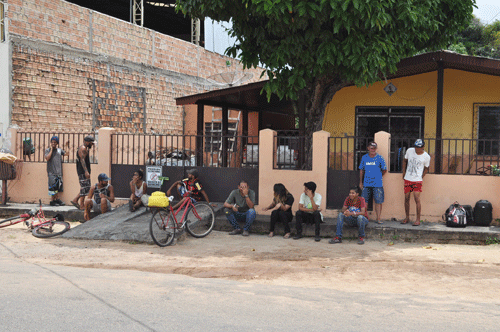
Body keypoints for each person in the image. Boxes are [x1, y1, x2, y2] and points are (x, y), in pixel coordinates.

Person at [401, 139, 431, 226]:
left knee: (416, 198)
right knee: (406, 197)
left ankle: (418, 219)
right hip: (408, 178)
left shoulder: (426, 156)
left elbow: (426, 168)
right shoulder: (409, 151)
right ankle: (407, 217)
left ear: (423, 147)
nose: (416, 149)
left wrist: (421, 177)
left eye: (418, 147)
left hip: (417, 180)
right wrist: (404, 172)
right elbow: (404, 160)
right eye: (415, 147)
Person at [359, 141, 387, 224]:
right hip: (366, 183)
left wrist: (378, 176)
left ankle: (378, 218)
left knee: (378, 201)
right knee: (364, 201)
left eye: (374, 148)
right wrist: (361, 182)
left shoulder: (380, 158)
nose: (373, 150)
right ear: (368, 148)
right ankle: (365, 217)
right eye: (371, 148)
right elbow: (361, 170)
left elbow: (384, 170)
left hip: (377, 183)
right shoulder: (364, 158)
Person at [71, 136, 95, 209]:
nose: (92, 145)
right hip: (82, 171)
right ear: (87, 142)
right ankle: (81, 205)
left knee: (86, 187)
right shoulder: (83, 149)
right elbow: (82, 160)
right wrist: (86, 171)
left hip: (83, 171)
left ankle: (75, 200)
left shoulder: (84, 148)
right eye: (91, 143)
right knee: (84, 187)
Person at [44, 136, 65, 206]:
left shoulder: (59, 150)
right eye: (52, 142)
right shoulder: (47, 150)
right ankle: (52, 200)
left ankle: (57, 199)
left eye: (55, 142)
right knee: (52, 187)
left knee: (57, 187)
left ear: (57, 143)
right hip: (51, 172)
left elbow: (66, 154)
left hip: (58, 172)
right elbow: (47, 158)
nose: (53, 144)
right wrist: (51, 150)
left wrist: (67, 146)